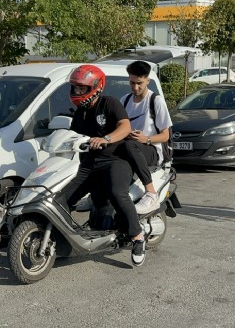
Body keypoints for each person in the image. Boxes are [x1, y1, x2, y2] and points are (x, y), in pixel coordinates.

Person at [56, 64, 148, 267]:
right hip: (88, 165)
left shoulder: (109, 103)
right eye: (76, 88)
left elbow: (125, 126)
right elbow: (73, 136)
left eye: (82, 88)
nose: (78, 92)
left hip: (115, 161)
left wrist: (106, 138)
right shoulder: (79, 113)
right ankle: (66, 237)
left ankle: (138, 237)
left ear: (96, 87)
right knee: (61, 199)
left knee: (117, 193)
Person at [118, 61, 172, 215]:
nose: (135, 87)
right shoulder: (125, 101)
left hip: (152, 150)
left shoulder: (156, 101)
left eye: (139, 83)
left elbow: (166, 135)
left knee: (130, 146)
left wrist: (146, 139)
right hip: (131, 147)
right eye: (132, 83)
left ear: (147, 80)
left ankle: (151, 193)